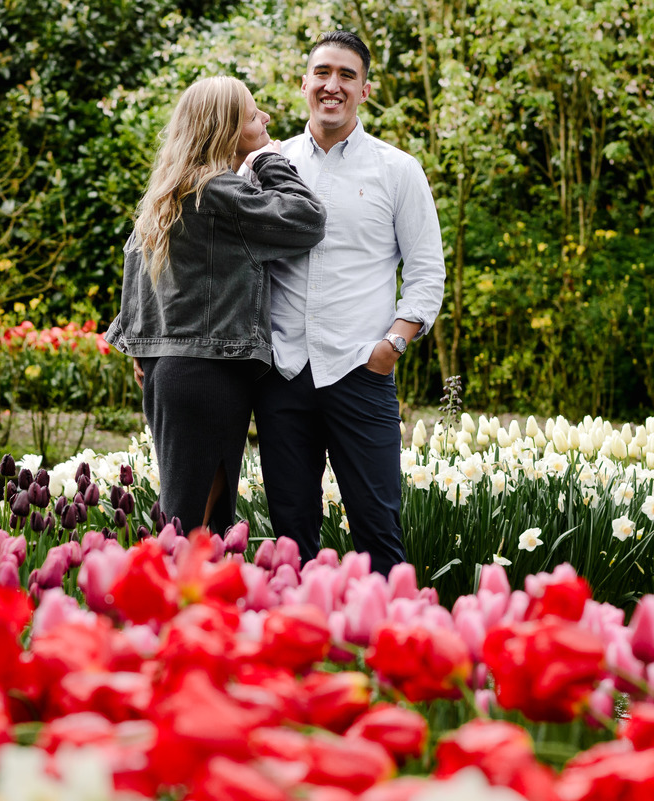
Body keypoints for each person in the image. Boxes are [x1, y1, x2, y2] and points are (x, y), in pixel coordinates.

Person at [253, 30, 446, 575]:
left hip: (360, 370)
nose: (331, 85)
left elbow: (427, 271)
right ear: (304, 82)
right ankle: (299, 651)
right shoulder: (267, 165)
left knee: (378, 528)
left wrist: (393, 344)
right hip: (283, 372)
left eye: (346, 76)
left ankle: (392, 649)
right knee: (290, 536)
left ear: (365, 90)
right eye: (322, 73)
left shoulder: (398, 170)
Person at [105, 76, 326, 534]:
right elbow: (307, 220)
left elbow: (140, 276)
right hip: (209, 376)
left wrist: (147, 349)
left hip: (176, 374)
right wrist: (270, 161)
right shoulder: (219, 192)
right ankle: (158, 602)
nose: (265, 118)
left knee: (192, 515)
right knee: (192, 523)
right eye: (251, 115)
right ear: (223, 130)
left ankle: (175, 601)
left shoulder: (171, 191)